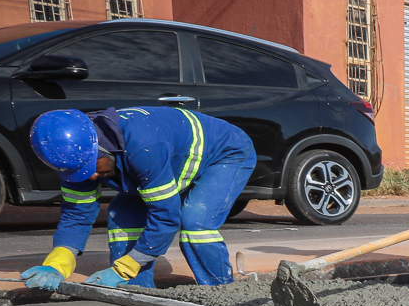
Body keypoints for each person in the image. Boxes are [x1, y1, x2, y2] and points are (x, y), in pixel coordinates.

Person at [20, 105, 255, 291]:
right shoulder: (74, 159)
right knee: (122, 216)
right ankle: (138, 291)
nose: (89, 176)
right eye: (76, 172)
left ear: (101, 147)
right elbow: (76, 215)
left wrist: (123, 269)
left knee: (195, 222)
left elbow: (166, 216)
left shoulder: (143, 147)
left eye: (91, 166)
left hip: (224, 153)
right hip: (164, 158)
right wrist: (56, 264)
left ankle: (219, 291)